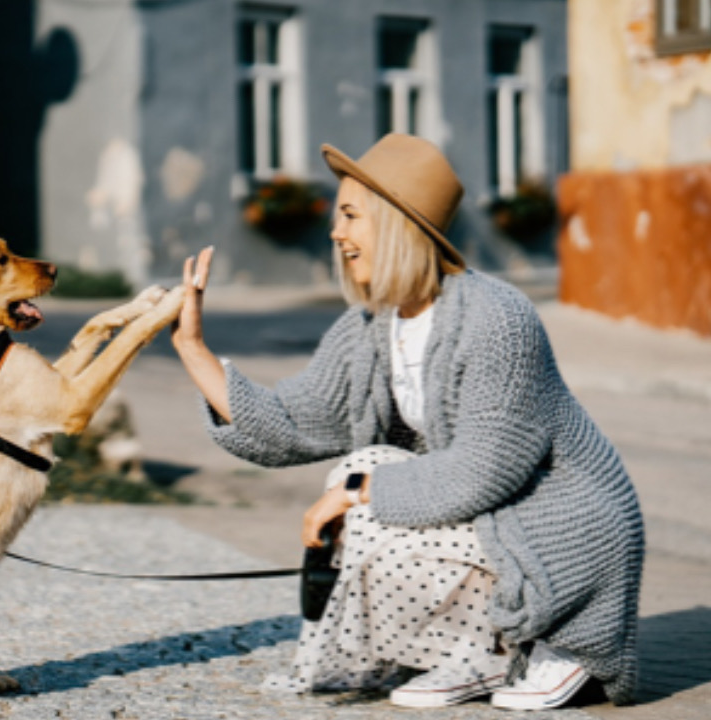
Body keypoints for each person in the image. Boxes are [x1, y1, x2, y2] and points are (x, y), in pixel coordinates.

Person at [170, 134, 644, 710]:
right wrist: (193, 348)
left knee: (363, 485)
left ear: (396, 223)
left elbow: (484, 470)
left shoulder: (498, 319)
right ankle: (475, 654)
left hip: (561, 525)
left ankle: (554, 644)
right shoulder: (372, 325)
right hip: (493, 516)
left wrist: (354, 495)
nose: (335, 233)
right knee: (363, 468)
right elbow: (293, 421)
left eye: (350, 215)